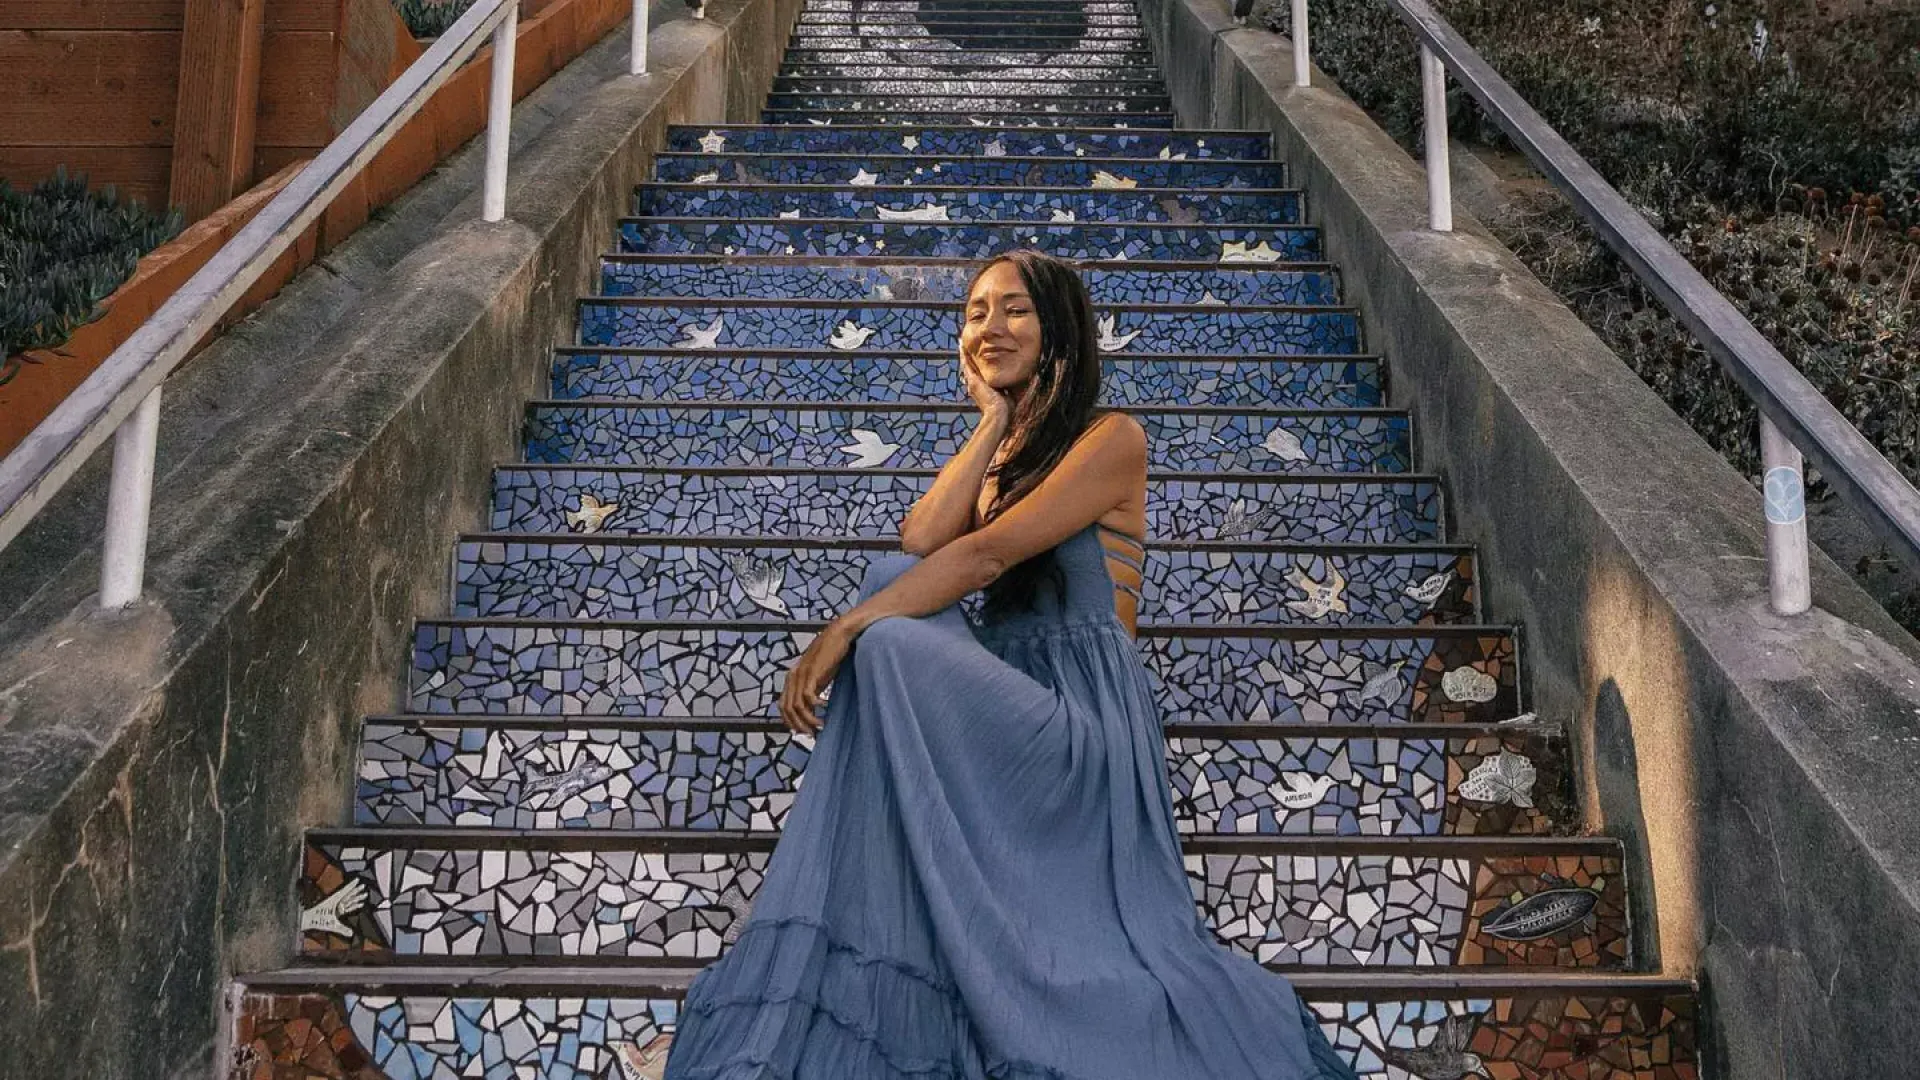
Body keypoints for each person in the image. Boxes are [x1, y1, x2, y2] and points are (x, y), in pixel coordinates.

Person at [661, 250, 1358, 1080]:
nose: (988, 326)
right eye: (975, 312)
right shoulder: (1009, 452)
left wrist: (842, 628)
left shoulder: (1112, 439)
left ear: (1059, 327)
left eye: (1013, 309)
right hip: (1014, 690)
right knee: (894, 585)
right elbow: (921, 541)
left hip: (1079, 719)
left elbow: (985, 556)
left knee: (883, 631)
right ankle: (910, 922)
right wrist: (990, 421)